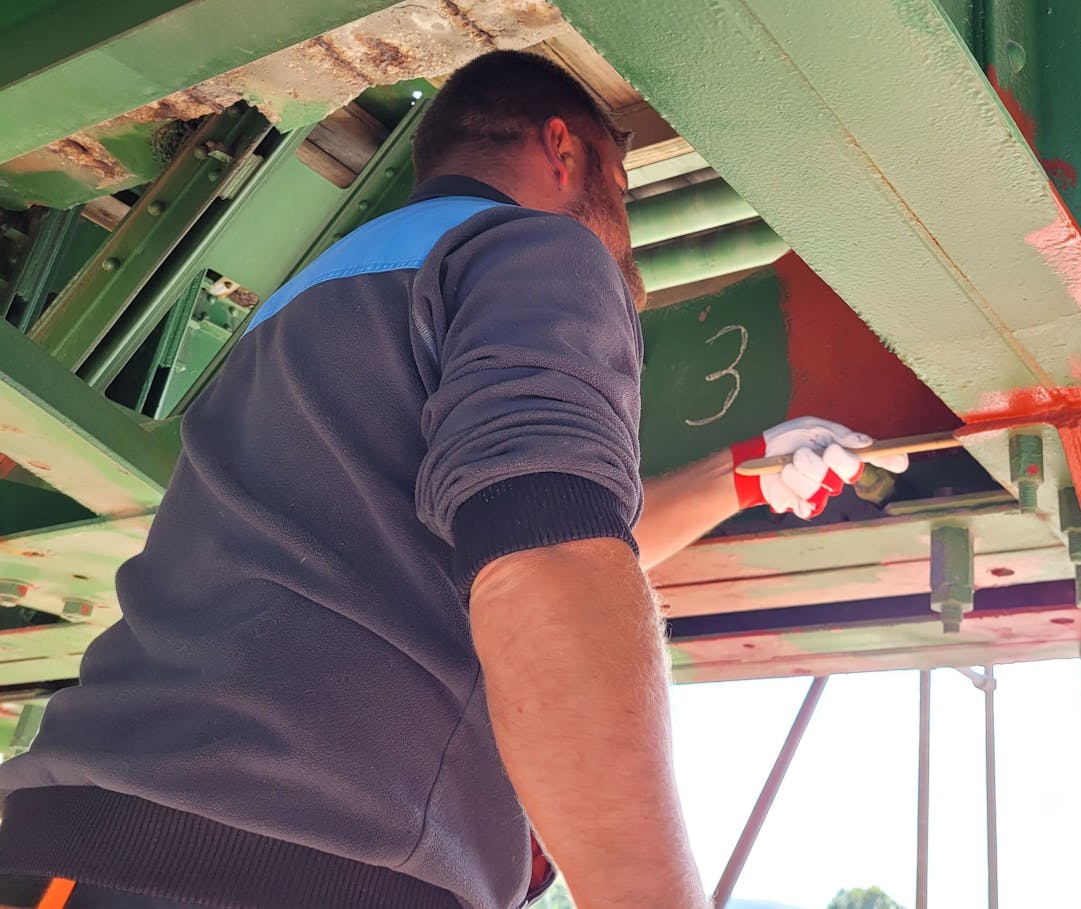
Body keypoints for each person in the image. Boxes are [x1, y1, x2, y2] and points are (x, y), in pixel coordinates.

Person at [0, 51, 905, 909]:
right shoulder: (533, 248)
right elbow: (541, 561)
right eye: (622, 197)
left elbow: (500, 541)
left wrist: (740, 477)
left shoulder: (301, 301)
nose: (621, 240)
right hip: (289, 864)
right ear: (563, 149)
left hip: (69, 839)